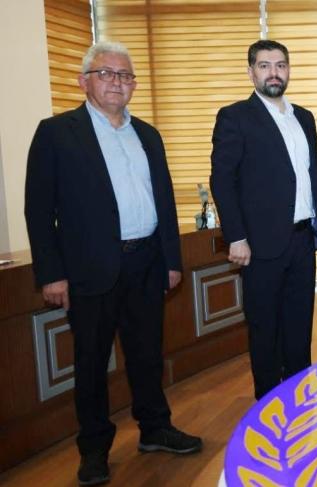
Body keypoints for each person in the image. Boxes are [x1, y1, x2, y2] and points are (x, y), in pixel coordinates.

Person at [24, 41, 202, 486]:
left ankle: (155, 428)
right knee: (91, 363)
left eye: (124, 75)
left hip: (146, 263)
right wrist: (51, 273)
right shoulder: (57, 133)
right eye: (105, 73)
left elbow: (163, 201)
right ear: (84, 81)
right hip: (89, 270)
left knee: (147, 355)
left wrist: (171, 260)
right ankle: (94, 449)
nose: (116, 83)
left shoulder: (148, 135)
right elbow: (39, 211)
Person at [210, 40, 317, 399]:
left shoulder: (303, 117)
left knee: (299, 327)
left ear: (288, 70)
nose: (274, 73)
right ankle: (268, 408)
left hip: (302, 239)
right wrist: (236, 236)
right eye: (264, 66)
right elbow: (222, 180)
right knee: (265, 330)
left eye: (280, 65)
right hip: (260, 244)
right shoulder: (235, 117)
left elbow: (313, 174)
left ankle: (300, 399)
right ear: (251, 72)